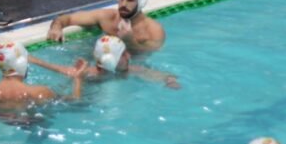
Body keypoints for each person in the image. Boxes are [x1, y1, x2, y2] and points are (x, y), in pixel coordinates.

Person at [46, 0, 166, 53]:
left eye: (130, 0)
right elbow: (68, 18)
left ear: (141, 3)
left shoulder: (153, 29)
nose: (123, 4)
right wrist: (56, 27)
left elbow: (153, 52)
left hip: (131, 68)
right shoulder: (107, 17)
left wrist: (130, 42)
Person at [0, 41, 85, 111]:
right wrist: (78, 78)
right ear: (23, 64)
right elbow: (75, 101)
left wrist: (3, 52)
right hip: (30, 122)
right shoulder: (39, 92)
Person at [30, 34, 180, 87]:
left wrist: (170, 80)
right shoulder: (90, 73)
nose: (129, 56)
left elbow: (163, 75)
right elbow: (60, 69)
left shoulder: (129, 70)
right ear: (110, 61)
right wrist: (34, 60)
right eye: (123, 54)